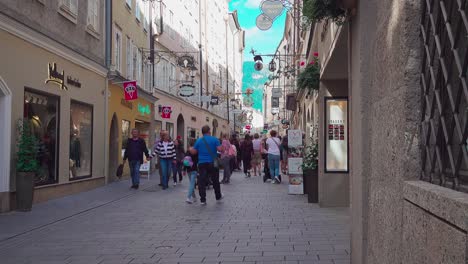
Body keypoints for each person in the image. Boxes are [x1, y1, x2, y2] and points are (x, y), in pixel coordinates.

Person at [190, 125, 224, 205]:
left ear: (202, 132)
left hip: (202, 163)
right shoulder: (215, 139)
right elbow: (220, 149)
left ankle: (203, 200)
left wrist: (190, 148)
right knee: (215, 180)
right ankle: (218, 197)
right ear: (209, 131)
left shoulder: (199, 140)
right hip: (213, 162)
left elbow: (193, 152)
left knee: (201, 181)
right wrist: (222, 146)